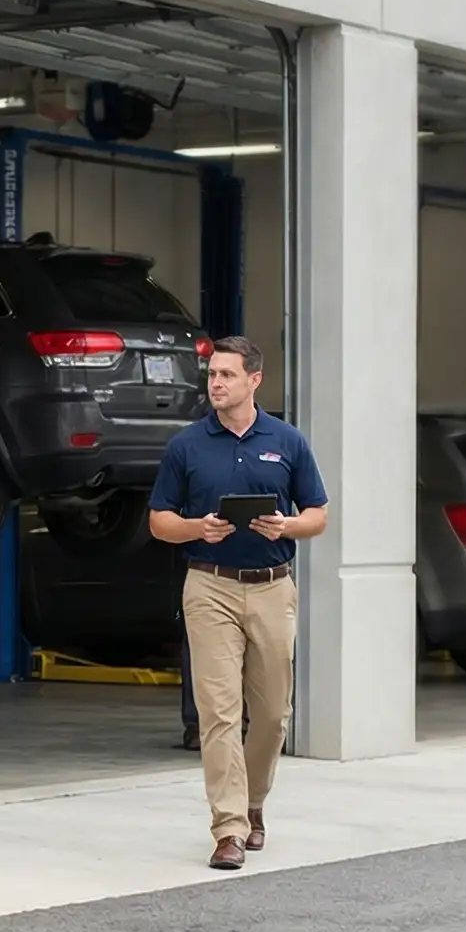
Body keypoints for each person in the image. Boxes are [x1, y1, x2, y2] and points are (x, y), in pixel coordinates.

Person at [146, 337, 328, 870]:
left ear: (255, 381)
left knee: (272, 716)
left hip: (273, 585)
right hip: (209, 585)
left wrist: (288, 524)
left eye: (227, 374)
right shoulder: (187, 446)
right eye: (212, 375)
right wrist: (196, 527)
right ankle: (227, 828)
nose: (216, 383)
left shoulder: (288, 441)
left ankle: (252, 805)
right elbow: (159, 522)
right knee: (219, 713)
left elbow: (318, 512)